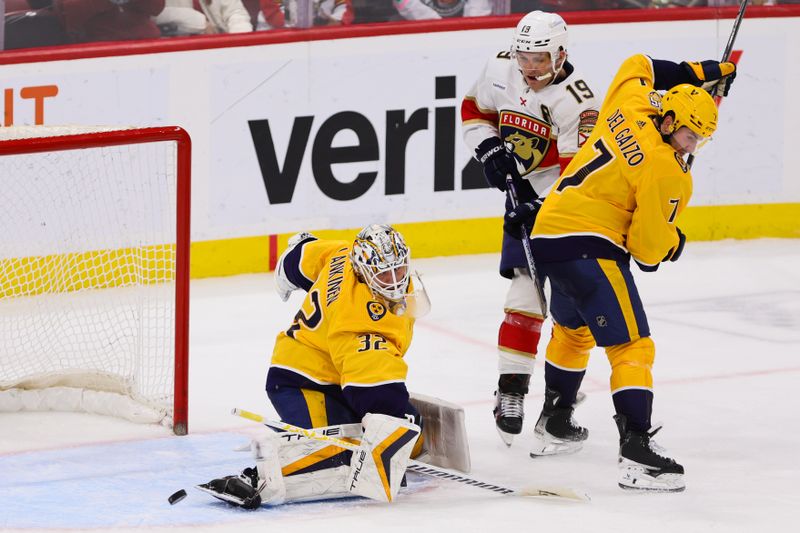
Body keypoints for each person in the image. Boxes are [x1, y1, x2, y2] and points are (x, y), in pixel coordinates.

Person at [529, 54, 736, 491]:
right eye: (686, 133)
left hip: (548, 234)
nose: (690, 145)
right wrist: (674, 240)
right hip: (591, 247)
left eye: (699, 138)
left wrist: (698, 73)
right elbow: (646, 251)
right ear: (669, 119)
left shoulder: (631, 102)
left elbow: (636, 63)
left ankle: (555, 421)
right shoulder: (668, 170)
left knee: (573, 332)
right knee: (633, 347)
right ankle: (637, 450)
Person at [199, 224, 429, 507]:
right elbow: (373, 396)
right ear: (364, 270)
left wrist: (286, 268)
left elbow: (301, 255)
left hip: (332, 372)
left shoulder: (343, 254)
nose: (394, 280)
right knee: (336, 456)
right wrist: (399, 439)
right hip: (300, 381)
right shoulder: (359, 321)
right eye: (383, 272)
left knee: (400, 430)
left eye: (399, 268)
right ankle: (259, 480)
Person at [461, 11, 599, 447]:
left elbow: (577, 175)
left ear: (560, 54)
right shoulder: (501, 67)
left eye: (539, 60)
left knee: (576, 309)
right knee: (525, 289)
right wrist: (488, 150)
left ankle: (559, 406)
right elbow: (473, 109)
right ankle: (512, 391)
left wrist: (538, 206)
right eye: (524, 58)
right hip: (523, 198)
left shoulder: (579, 101)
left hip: (569, 209)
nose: (529, 69)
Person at [155, 0, 252, 35]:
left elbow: (236, 12)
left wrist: (238, 41)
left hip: (222, 52)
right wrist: (198, 22)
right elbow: (154, 15)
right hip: (177, 55)